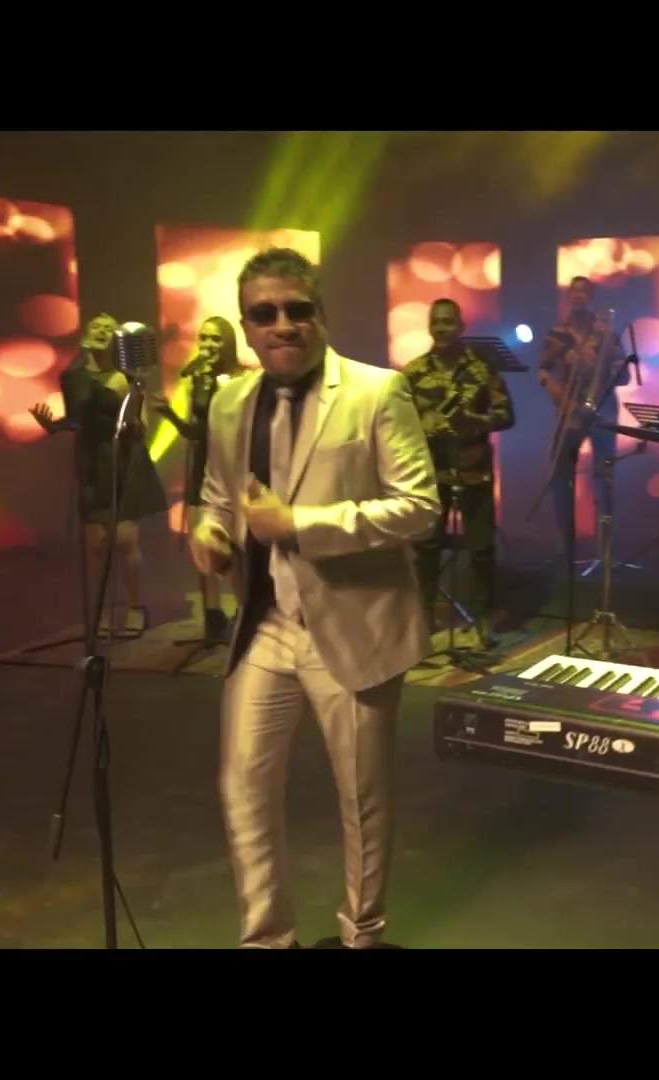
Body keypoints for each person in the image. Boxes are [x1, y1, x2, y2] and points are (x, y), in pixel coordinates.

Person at [186, 247, 440, 949]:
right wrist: (210, 531)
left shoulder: (377, 391)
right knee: (243, 785)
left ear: (320, 314)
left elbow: (420, 507)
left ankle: (362, 935)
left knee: (361, 798)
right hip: (264, 624)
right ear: (245, 327)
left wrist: (300, 524)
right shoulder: (229, 401)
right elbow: (218, 496)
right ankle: (267, 938)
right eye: (264, 313)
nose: (282, 324)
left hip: (354, 626)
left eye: (297, 309)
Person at [30, 311, 170, 637]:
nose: (103, 331)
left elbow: (140, 425)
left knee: (125, 540)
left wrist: (131, 413)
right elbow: (76, 420)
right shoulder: (73, 376)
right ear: (86, 335)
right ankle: (102, 611)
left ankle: (135, 607)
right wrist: (52, 426)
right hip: (92, 461)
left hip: (123, 459)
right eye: (98, 327)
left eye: (109, 328)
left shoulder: (126, 375)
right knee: (96, 546)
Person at [400, 298, 515, 645]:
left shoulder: (481, 369)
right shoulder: (413, 372)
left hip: (473, 471)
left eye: (448, 322)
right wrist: (424, 427)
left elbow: (507, 416)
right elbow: (397, 423)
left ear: (461, 327)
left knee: (481, 549)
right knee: (426, 549)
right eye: (436, 322)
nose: (441, 328)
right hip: (429, 474)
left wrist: (474, 422)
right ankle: (421, 620)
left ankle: (483, 620)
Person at [154, 315, 246, 642]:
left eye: (215, 339)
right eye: (204, 338)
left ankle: (243, 611)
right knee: (202, 544)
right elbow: (195, 432)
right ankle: (212, 615)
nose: (208, 345)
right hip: (202, 466)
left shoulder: (244, 378)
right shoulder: (197, 380)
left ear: (228, 343)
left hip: (233, 470)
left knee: (235, 546)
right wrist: (169, 415)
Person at [537, 275, 626, 554]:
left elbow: (623, 376)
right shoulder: (557, 334)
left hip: (602, 409)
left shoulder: (606, 333)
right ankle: (565, 546)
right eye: (574, 292)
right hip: (570, 411)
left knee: (603, 477)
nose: (578, 296)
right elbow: (542, 369)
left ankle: (605, 549)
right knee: (560, 475)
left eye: (584, 292)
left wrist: (607, 357)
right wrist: (554, 390)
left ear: (591, 297)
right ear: (568, 297)